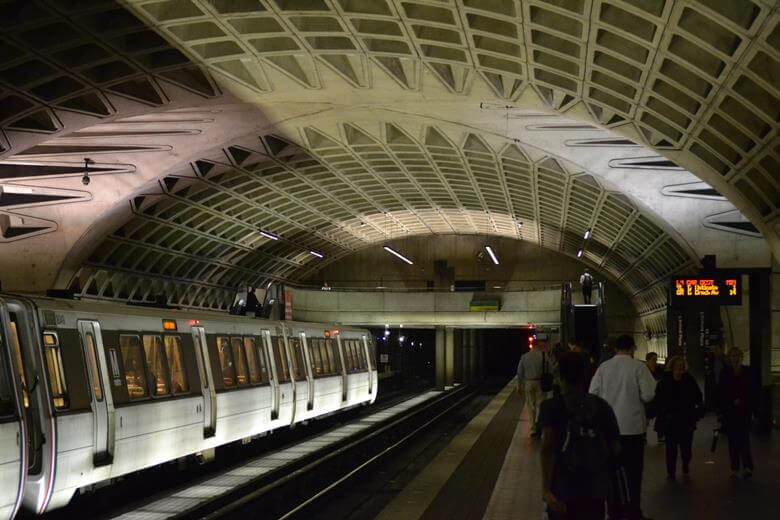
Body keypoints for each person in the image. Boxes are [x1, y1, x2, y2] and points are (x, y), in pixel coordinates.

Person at [539, 352, 621, 520]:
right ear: (584, 376)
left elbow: (547, 448)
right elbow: (615, 447)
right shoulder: (602, 406)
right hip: (594, 489)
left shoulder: (551, 406)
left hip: (563, 488)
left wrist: (546, 490)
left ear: (560, 376)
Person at [589, 334, 657, 520]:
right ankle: (633, 511)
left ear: (616, 348)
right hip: (633, 429)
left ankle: (613, 511)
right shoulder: (639, 367)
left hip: (609, 430)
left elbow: (592, 393)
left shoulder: (604, 367)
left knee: (611, 472)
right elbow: (649, 394)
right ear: (632, 348)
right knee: (634, 473)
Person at [655, 356, 703, 480]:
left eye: (681, 367)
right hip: (671, 420)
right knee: (671, 448)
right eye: (677, 367)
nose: (679, 370)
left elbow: (698, 396)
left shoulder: (689, 380)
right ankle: (671, 471)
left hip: (686, 419)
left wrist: (698, 412)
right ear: (672, 368)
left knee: (686, 447)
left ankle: (685, 463)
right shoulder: (664, 381)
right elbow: (659, 400)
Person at [717, 347, 754, 479]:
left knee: (744, 439)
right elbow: (721, 392)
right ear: (729, 358)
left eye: (737, 355)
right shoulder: (725, 373)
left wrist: (743, 401)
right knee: (732, 440)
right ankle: (735, 467)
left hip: (744, 410)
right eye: (733, 356)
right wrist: (727, 405)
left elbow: (752, 390)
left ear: (741, 357)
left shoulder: (748, 371)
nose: (735, 358)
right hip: (730, 411)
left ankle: (747, 466)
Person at [517, 341, 550, 438]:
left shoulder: (524, 357)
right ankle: (539, 424)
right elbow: (550, 369)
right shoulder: (544, 356)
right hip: (540, 382)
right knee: (540, 405)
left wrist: (519, 385)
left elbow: (519, 372)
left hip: (528, 382)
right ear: (538, 346)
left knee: (531, 405)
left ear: (531, 346)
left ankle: (533, 428)